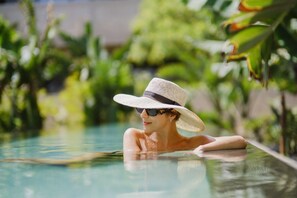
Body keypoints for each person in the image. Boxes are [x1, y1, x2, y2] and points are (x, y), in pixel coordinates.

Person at [113, 77, 247, 155]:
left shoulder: (191, 144)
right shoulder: (134, 137)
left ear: (172, 115)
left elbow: (240, 141)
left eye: (151, 110)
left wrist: (203, 148)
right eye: (141, 108)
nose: (143, 114)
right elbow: (133, 168)